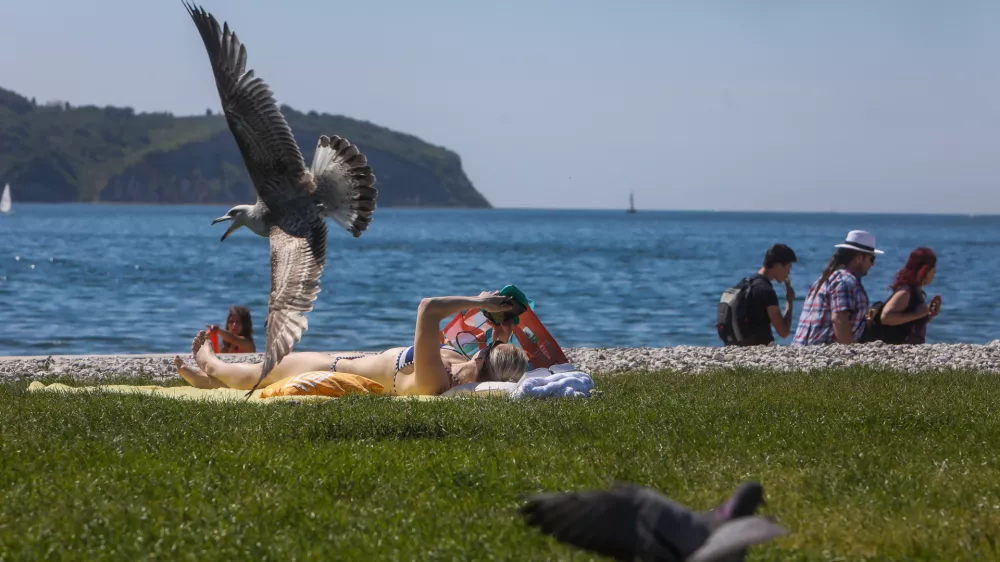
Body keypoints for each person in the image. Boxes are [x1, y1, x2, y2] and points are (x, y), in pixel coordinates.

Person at [174, 291, 530, 396]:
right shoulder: (465, 361)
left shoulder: (436, 379)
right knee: (255, 373)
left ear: (485, 358)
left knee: (255, 371)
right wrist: (503, 315)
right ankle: (211, 382)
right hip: (338, 359)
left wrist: (479, 303)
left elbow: (428, 309)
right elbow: (497, 344)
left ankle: (211, 363)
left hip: (326, 368)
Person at [792, 230, 882, 346]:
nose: (872, 264)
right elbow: (839, 319)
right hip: (822, 352)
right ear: (859, 258)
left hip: (804, 350)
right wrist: (849, 352)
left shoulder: (826, 278)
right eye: (872, 259)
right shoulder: (846, 282)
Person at [870, 247, 941, 344]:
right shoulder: (905, 292)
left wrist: (928, 314)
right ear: (924, 270)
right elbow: (886, 318)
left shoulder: (916, 291)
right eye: (932, 270)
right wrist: (919, 314)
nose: (934, 274)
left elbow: (909, 322)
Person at [740, 244, 798, 345]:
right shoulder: (766, 291)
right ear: (778, 265)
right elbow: (783, 332)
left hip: (736, 345)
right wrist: (789, 302)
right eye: (788, 267)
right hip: (758, 347)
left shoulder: (744, 285)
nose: (788, 273)